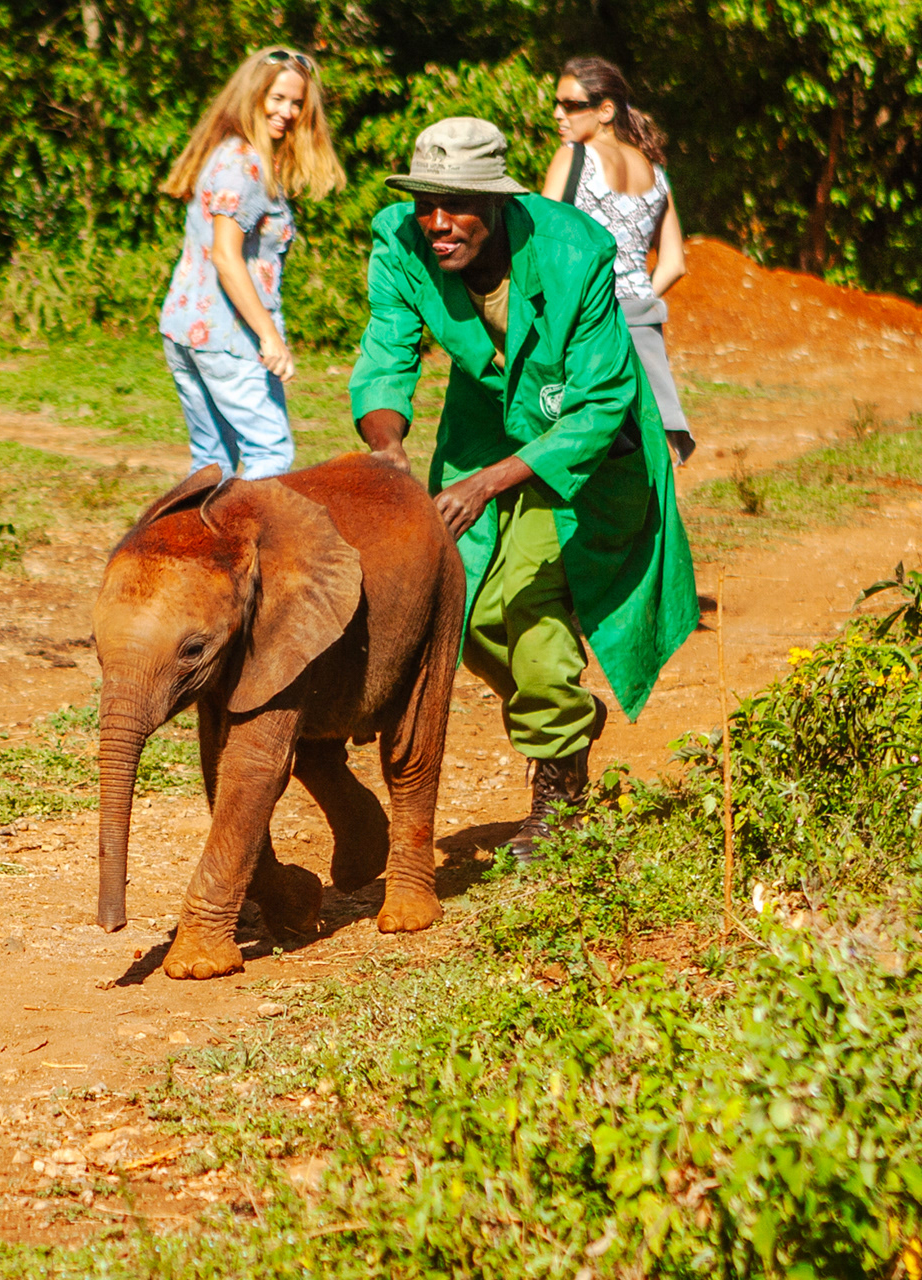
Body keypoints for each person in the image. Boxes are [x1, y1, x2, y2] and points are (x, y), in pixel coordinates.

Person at [350, 117, 697, 860]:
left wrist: (494, 483)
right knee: (463, 608)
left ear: (499, 203)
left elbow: (603, 401)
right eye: (425, 202)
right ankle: (564, 714)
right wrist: (388, 450)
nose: (437, 222)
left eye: (458, 204)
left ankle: (558, 791)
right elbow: (387, 350)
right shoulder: (401, 241)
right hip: (480, 432)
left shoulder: (574, 251)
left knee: (529, 598)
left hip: (582, 445)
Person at [157, 47, 344, 479]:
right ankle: (251, 547)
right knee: (269, 455)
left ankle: (192, 547)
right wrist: (269, 338)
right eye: (277, 98)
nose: (288, 112)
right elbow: (226, 256)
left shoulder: (223, 152)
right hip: (230, 336)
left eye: (297, 103)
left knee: (211, 464)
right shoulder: (248, 165)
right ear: (253, 94)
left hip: (186, 327)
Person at [541, 57, 696, 464]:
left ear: (605, 110)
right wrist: (635, 297)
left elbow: (542, 246)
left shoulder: (574, 157)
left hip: (586, 327)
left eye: (571, 105)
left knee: (583, 451)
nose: (558, 114)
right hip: (644, 328)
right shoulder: (654, 170)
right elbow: (674, 262)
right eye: (556, 104)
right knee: (645, 454)